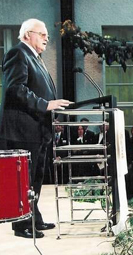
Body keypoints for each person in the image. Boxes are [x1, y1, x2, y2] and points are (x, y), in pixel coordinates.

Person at [0, 19, 71, 238]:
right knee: (26, 178)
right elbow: (15, 89)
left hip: (38, 128)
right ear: (27, 34)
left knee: (37, 176)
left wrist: (52, 115)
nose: (47, 38)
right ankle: (21, 224)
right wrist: (46, 105)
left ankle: (33, 216)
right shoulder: (18, 53)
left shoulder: (35, 58)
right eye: (42, 34)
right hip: (23, 129)